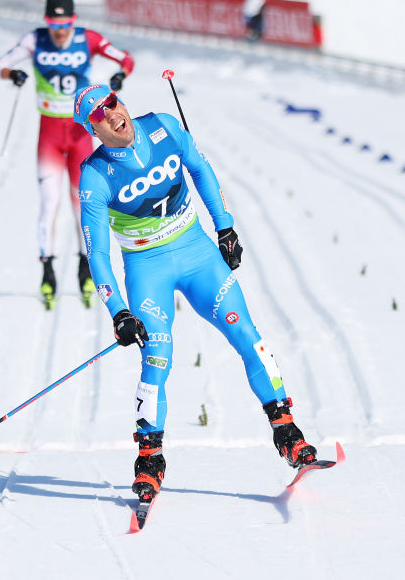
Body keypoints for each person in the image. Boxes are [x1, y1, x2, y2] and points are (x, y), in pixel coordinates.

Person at [74, 84, 317, 506]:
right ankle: (149, 461)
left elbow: (201, 169)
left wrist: (224, 226)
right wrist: (118, 311)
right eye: (99, 115)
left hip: (199, 254)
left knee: (247, 334)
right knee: (158, 357)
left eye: (113, 101)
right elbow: (96, 253)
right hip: (147, 268)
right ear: (93, 130)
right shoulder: (94, 176)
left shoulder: (163, 127)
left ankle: (288, 434)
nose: (113, 114)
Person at [0, 0, 135, 309]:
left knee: (82, 206)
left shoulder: (89, 38)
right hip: (49, 135)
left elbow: (127, 59)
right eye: (54, 27)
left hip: (80, 134)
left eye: (65, 26)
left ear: (74, 21)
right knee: (49, 205)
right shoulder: (35, 39)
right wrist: (11, 74)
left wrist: (119, 76)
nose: (59, 34)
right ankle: (47, 272)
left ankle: (85, 269)